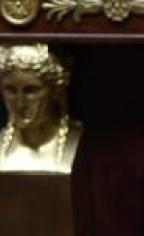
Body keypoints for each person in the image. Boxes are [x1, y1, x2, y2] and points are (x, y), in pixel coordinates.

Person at [0, 43, 82, 173]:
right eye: (10, 90)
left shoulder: (82, 144)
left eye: (31, 90)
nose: (20, 103)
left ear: (56, 90)